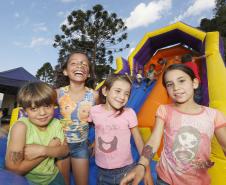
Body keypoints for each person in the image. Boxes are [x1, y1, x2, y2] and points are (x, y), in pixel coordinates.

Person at [120, 64, 226, 185]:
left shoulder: (213, 115)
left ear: (194, 83)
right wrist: (142, 164)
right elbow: (154, 140)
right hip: (165, 179)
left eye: (181, 81)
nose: (176, 87)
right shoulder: (164, 110)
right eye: (170, 84)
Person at [88, 74, 153, 185]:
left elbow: (139, 142)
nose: (122, 97)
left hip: (125, 170)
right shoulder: (94, 111)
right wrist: (95, 142)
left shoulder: (129, 113)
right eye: (118, 91)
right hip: (101, 171)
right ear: (105, 91)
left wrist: (147, 171)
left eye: (126, 94)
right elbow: (97, 126)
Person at [5, 82, 69, 185]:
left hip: (53, 176)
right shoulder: (20, 128)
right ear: (25, 111)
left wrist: (44, 150)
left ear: (54, 106)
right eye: (34, 108)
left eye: (47, 106)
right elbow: (13, 170)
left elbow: (65, 151)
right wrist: (47, 151)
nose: (42, 113)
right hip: (27, 180)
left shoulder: (56, 123)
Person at [56, 51, 99, 185]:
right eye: (74, 63)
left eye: (84, 64)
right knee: (63, 182)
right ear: (65, 71)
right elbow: (45, 116)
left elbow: (99, 121)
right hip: (61, 145)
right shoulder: (57, 93)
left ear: (89, 73)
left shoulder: (94, 95)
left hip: (81, 146)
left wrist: (97, 141)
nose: (80, 65)